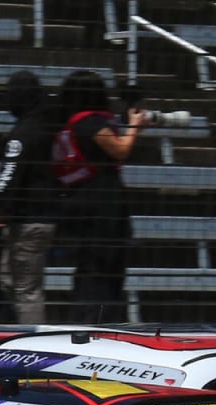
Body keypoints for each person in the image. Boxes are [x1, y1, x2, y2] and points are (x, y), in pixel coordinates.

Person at [53, 70, 147, 323]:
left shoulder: (71, 121)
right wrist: (135, 127)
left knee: (92, 268)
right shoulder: (90, 122)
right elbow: (120, 151)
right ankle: (95, 322)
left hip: (86, 198)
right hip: (101, 203)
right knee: (103, 268)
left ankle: (90, 319)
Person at [0, 70, 59, 326]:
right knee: (10, 281)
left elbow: (9, 178)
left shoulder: (21, 135)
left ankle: (33, 347)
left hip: (30, 221)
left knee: (26, 290)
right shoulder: (45, 127)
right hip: (35, 217)